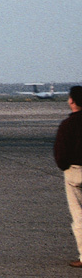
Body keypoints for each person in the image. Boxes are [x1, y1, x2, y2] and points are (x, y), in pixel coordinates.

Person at [57, 86, 82, 268]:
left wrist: (64, 167)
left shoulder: (68, 124)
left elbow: (61, 152)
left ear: (72, 101)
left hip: (76, 172)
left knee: (79, 215)